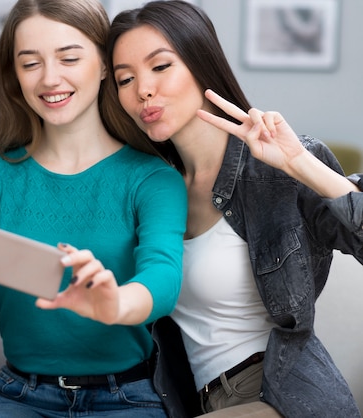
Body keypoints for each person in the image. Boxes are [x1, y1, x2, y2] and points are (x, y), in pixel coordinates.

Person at [0, 0, 188, 416]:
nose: (50, 79)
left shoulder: (152, 180)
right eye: (30, 64)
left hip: (126, 397)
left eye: (69, 58)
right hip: (20, 397)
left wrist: (116, 304)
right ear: (14, 76)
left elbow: (163, 274)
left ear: (105, 65)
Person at [108, 1, 363, 417]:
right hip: (199, 401)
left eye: (160, 67)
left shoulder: (277, 168)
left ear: (201, 62)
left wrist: (300, 164)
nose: (143, 90)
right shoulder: (153, 189)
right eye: (125, 78)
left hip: (283, 397)